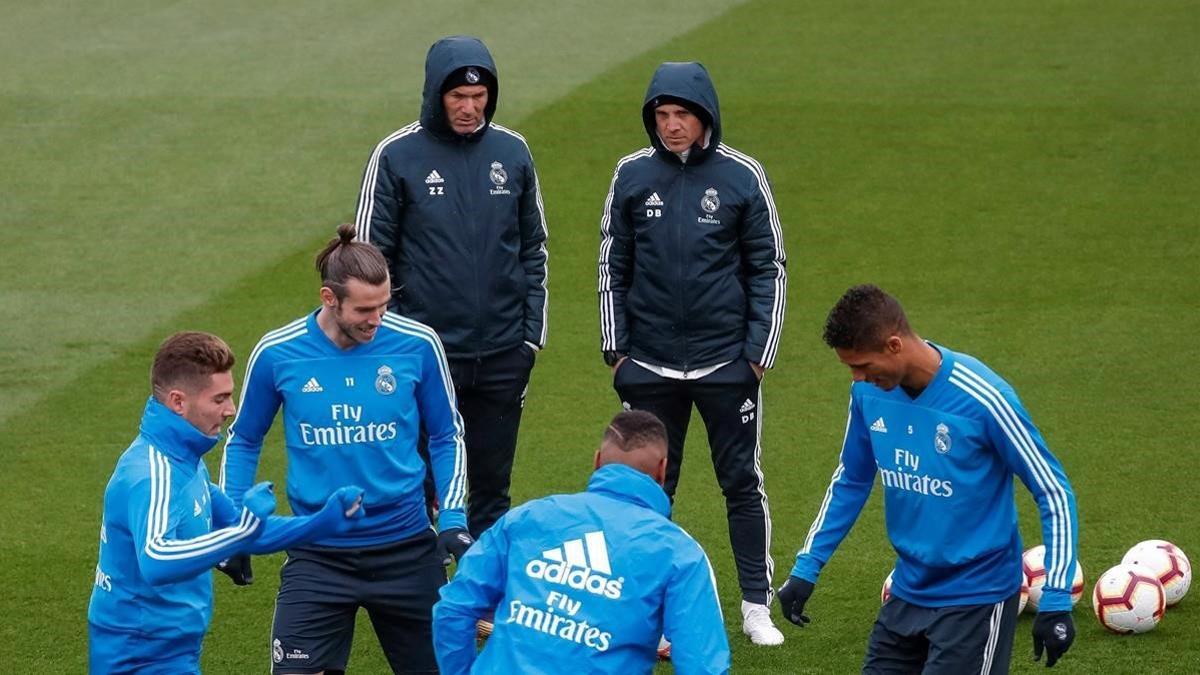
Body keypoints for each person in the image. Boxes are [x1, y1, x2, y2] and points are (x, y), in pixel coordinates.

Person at [777, 284, 1080, 673]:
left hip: (977, 596)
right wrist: (807, 567)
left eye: (863, 366)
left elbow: (1052, 490)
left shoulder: (984, 398)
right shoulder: (867, 394)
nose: (857, 377)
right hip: (909, 590)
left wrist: (1055, 599)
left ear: (893, 345)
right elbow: (851, 480)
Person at [218, 224, 470, 674]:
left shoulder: (417, 343)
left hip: (407, 550)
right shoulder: (279, 352)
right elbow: (244, 438)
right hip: (317, 553)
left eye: (385, 305)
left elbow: (446, 434)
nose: (377, 319)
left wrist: (451, 517)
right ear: (329, 299)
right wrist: (234, 523)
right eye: (365, 310)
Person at [597, 60, 788, 646]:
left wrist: (756, 355)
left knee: (740, 482)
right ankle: (644, 610)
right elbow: (613, 261)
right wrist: (617, 350)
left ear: (705, 116)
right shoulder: (631, 174)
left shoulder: (742, 176)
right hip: (649, 364)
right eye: (662, 114)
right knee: (650, 488)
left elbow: (769, 267)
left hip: (726, 363)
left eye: (682, 114)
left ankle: (756, 604)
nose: (671, 125)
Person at [354, 35, 549, 542]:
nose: (469, 108)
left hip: (505, 351)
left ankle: (480, 603)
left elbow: (534, 248)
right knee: (412, 481)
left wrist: (530, 335)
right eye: (457, 97)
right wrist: (396, 340)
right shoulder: (396, 155)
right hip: (424, 355)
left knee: (491, 485)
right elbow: (368, 261)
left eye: (479, 96)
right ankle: (419, 598)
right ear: (436, 94)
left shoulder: (512, 150)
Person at [88, 331, 365, 674]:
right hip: (139, 656)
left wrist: (321, 523)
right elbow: (157, 560)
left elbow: (244, 529)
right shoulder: (153, 473)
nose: (231, 410)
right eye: (219, 399)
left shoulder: (186, 461)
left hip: (170, 649)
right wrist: (240, 534)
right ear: (178, 402)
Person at [431, 410, 731, 674]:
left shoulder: (529, 517)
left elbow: (453, 609)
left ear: (598, 460)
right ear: (663, 471)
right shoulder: (679, 553)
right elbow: (703, 666)